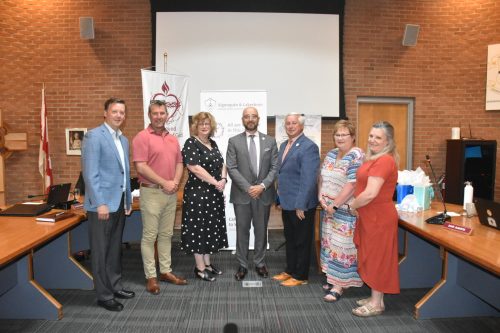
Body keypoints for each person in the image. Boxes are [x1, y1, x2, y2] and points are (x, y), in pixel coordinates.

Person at [81, 97, 134, 312]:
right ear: (105, 113)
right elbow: (90, 174)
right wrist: (100, 202)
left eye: (122, 112)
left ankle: (115, 285)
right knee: (101, 251)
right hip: (101, 205)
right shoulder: (94, 136)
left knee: (114, 249)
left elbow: (125, 173)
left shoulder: (123, 140)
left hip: (119, 202)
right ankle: (104, 295)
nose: (119, 115)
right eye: (115, 111)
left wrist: (128, 198)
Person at [132, 100, 187, 295]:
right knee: (149, 236)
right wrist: (165, 182)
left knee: (166, 235)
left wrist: (175, 182)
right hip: (152, 192)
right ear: (149, 115)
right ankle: (151, 277)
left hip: (170, 194)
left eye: (162, 113)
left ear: (167, 115)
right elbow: (141, 167)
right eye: (155, 113)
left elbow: (180, 163)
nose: (159, 116)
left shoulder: (172, 139)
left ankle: (165, 271)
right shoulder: (142, 137)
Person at [348, 121, 400, 317]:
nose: (372, 140)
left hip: (379, 217)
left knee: (378, 259)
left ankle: (377, 304)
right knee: (371, 256)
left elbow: (370, 194)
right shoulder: (373, 159)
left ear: (388, 141)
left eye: (378, 137)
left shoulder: (385, 161)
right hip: (369, 215)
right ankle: (374, 297)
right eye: (371, 136)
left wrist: (352, 205)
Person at [226, 107, 279, 281]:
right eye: (247, 116)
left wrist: (262, 186)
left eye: (253, 116)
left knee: (261, 231)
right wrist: (249, 187)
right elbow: (231, 168)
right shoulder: (234, 141)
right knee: (242, 231)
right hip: (242, 194)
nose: (250, 119)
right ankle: (242, 265)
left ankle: (260, 263)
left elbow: (274, 168)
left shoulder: (270, 142)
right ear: (242, 119)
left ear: (258, 119)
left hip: (263, 194)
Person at [318, 120, 364, 302]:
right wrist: (320, 197)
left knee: (342, 247)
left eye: (344, 134)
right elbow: (322, 178)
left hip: (344, 211)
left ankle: (339, 286)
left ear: (352, 137)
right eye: (337, 134)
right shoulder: (331, 154)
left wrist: (335, 205)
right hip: (328, 210)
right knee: (329, 245)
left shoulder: (356, 156)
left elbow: (352, 185)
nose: (340, 138)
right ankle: (332, 278)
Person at [272, 113, 320, 287]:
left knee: (301, 240)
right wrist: (279, 197)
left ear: (301, 126)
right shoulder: (285, 144)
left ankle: (301, 276)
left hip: (301, 204)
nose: (290, 126)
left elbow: (309, 179)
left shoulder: (309, 147)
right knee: (290, 238)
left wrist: (301, 204)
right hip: (287, 201)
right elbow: (282, 173)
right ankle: (290, 270)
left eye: (294, 123)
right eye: (288, 123)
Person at [181, 112, 228, 281]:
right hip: (197, 194)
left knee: (209, 229)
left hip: (213, 194)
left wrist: (223, 178)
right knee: (198, 229)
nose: (204, 126)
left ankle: (207, 264)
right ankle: (199, 268)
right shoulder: (191, 143)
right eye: (201, 123)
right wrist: (216, 182)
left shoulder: (213, 143)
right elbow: (194, 168)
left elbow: (222, 163)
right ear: (195, 126)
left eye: (207, 123)